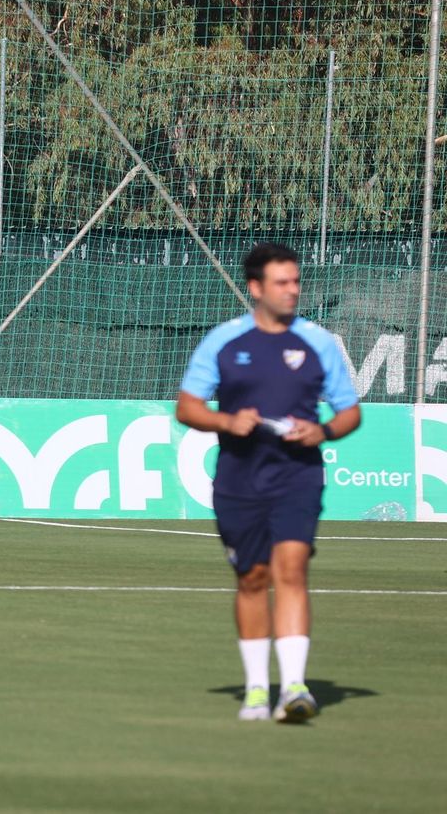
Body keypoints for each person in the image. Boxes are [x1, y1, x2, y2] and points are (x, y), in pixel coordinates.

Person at [176, 242, 360, 723]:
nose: (292, 290)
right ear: (256, 288)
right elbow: (188, 407)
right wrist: (226, 422)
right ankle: (258, 690)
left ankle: (294, 689)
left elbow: (350, 412)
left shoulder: (319, 342)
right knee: (253, 578)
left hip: (298, 474)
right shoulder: (223, 341)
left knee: (291, 569)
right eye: (282, 283)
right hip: (238, 479)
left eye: (296, 281)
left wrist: (321, 430)